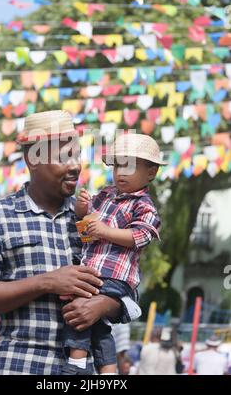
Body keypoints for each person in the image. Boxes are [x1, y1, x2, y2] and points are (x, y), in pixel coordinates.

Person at [0, 110, 137, 375]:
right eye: (63, 156)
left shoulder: (97, 218)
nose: (75, 165)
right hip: (20, 365)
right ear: (32, 160)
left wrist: (102, 305)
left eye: (76, 155)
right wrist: (47, 282)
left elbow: (128, 292)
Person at [62, 133, 165, 375]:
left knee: (78, 306)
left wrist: (107, 231)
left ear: (150, 173)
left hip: (114, 276)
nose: (120, 172)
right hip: (93, 268)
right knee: (98, 327)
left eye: (129, 166)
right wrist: (81, 210)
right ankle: (109, 371)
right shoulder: (105, 195)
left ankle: (74, 366)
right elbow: (86, 229)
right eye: (117, 165)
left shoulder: (143, 205)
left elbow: (140, 237)